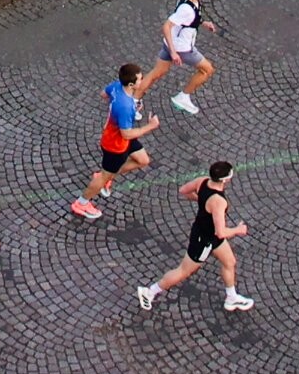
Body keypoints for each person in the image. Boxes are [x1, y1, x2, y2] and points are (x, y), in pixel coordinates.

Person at [138, 159, 251, 315]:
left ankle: (231, 298)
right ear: (224, 180)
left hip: (206, 232)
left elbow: (183, 190)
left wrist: (202, 201)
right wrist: (238, 230)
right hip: (204, 240)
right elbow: (221, 232)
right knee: (183, 271)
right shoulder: (218, 202)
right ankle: (150, 292)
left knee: (229, 261)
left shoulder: (202, 181)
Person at [71, 65, 155, 219]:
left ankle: (106, 176)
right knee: (104, 176)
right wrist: (150, 126)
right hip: (116, 145)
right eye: (140, 79)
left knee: (143, 160)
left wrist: (128, 109)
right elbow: (126, 134)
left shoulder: (117, 86)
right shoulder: (125, 107)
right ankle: (81, 203)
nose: (142, 81)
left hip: (119, 138)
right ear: (131, 84)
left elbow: (104, 94)